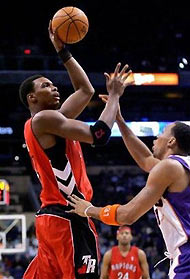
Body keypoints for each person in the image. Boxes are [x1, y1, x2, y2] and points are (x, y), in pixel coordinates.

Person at [19, 20, 132, 279]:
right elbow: (100, 135)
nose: (54, 87)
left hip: (53, 218)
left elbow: (85, 90)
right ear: (32, 99)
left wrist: (63, 51)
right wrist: (114, 95)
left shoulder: (52, 122)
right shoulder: (44, 120)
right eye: (45, 86)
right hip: (69, 216)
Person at [68, 103, 190, 279]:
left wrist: (88, 210)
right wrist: (119, 120)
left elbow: (127, 215)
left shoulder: (169, 167)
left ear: (171, 141)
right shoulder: (180, 166)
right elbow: (146, 159)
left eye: (162, 133)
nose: (157, 136)